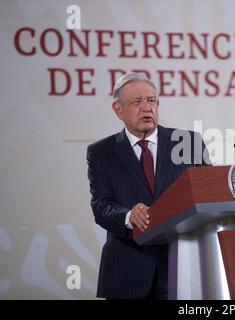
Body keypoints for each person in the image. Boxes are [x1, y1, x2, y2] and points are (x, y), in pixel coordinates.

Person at [86, 72, 210, 299]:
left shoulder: (188, 142)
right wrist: (128, 216)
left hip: (182, 268)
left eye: (151, 101)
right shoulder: (101, 152)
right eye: (137, 102)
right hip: (127, 271)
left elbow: (208, 193)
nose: (147, 108)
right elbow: (101, 205)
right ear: (118, 109)